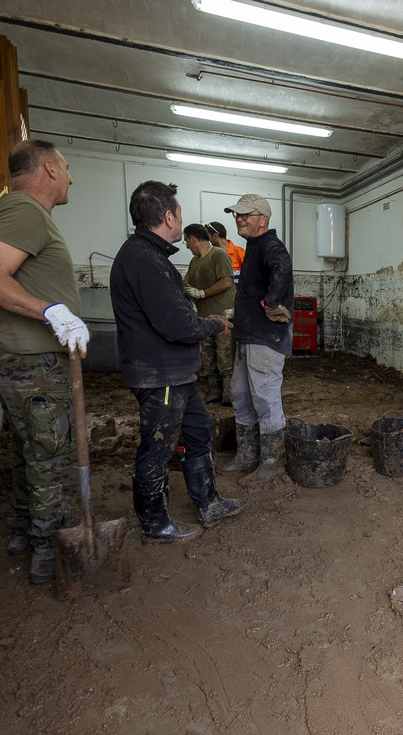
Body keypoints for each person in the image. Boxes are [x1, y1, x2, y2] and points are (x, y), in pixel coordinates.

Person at [0, 139, 89, 585]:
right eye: (67, 166)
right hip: (32, 360)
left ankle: (25, 531)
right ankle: (49, 551)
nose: (71, 177)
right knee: (50, 455)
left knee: (31, 450)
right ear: (49, 169)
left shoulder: (28, 214)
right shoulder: (22, 209)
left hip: (29, 357)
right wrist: (51, 311)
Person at [110, 181, 245, 543]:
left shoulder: (150, 256)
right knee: (158, 446)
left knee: (199, 428)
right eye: (180, 215)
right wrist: (214, 324)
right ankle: (155, 524)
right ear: (168, 216)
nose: (182, 224)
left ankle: (208, 501)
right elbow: (177, 323)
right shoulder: (143, 259)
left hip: (173, 372)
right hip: (160, 375)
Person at [222, 194, 294, 485]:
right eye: (236, 215)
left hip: (265, 338)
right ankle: (248, 454)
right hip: (247, 335)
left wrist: (272, 302)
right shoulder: (252, 247)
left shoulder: (269, 245)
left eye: (245, 215)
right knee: (239, 395)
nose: (239, 219)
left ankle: (271, 462)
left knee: (264, 399)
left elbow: (283, 267)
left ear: (263, 219)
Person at [183, 223, 235, 405]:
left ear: (193, 239)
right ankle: (215, 393)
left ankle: (228, 396)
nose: (187, 246)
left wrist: (202, 293)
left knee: (225, 359)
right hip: (204, 320)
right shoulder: (194, 262)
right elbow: (185, 284)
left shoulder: (219, 255)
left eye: (186, 242)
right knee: (208, 358)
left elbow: (226, 282)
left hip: (222, 319)